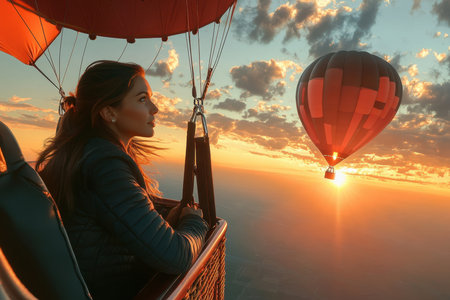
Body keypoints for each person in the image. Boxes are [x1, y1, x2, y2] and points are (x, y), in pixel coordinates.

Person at [35, 60, 209, 300]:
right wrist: (195, 223)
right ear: (109, 112)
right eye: (142, 99)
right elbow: (175, 256)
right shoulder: (105, 167)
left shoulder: (85, 153)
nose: (155, 108)